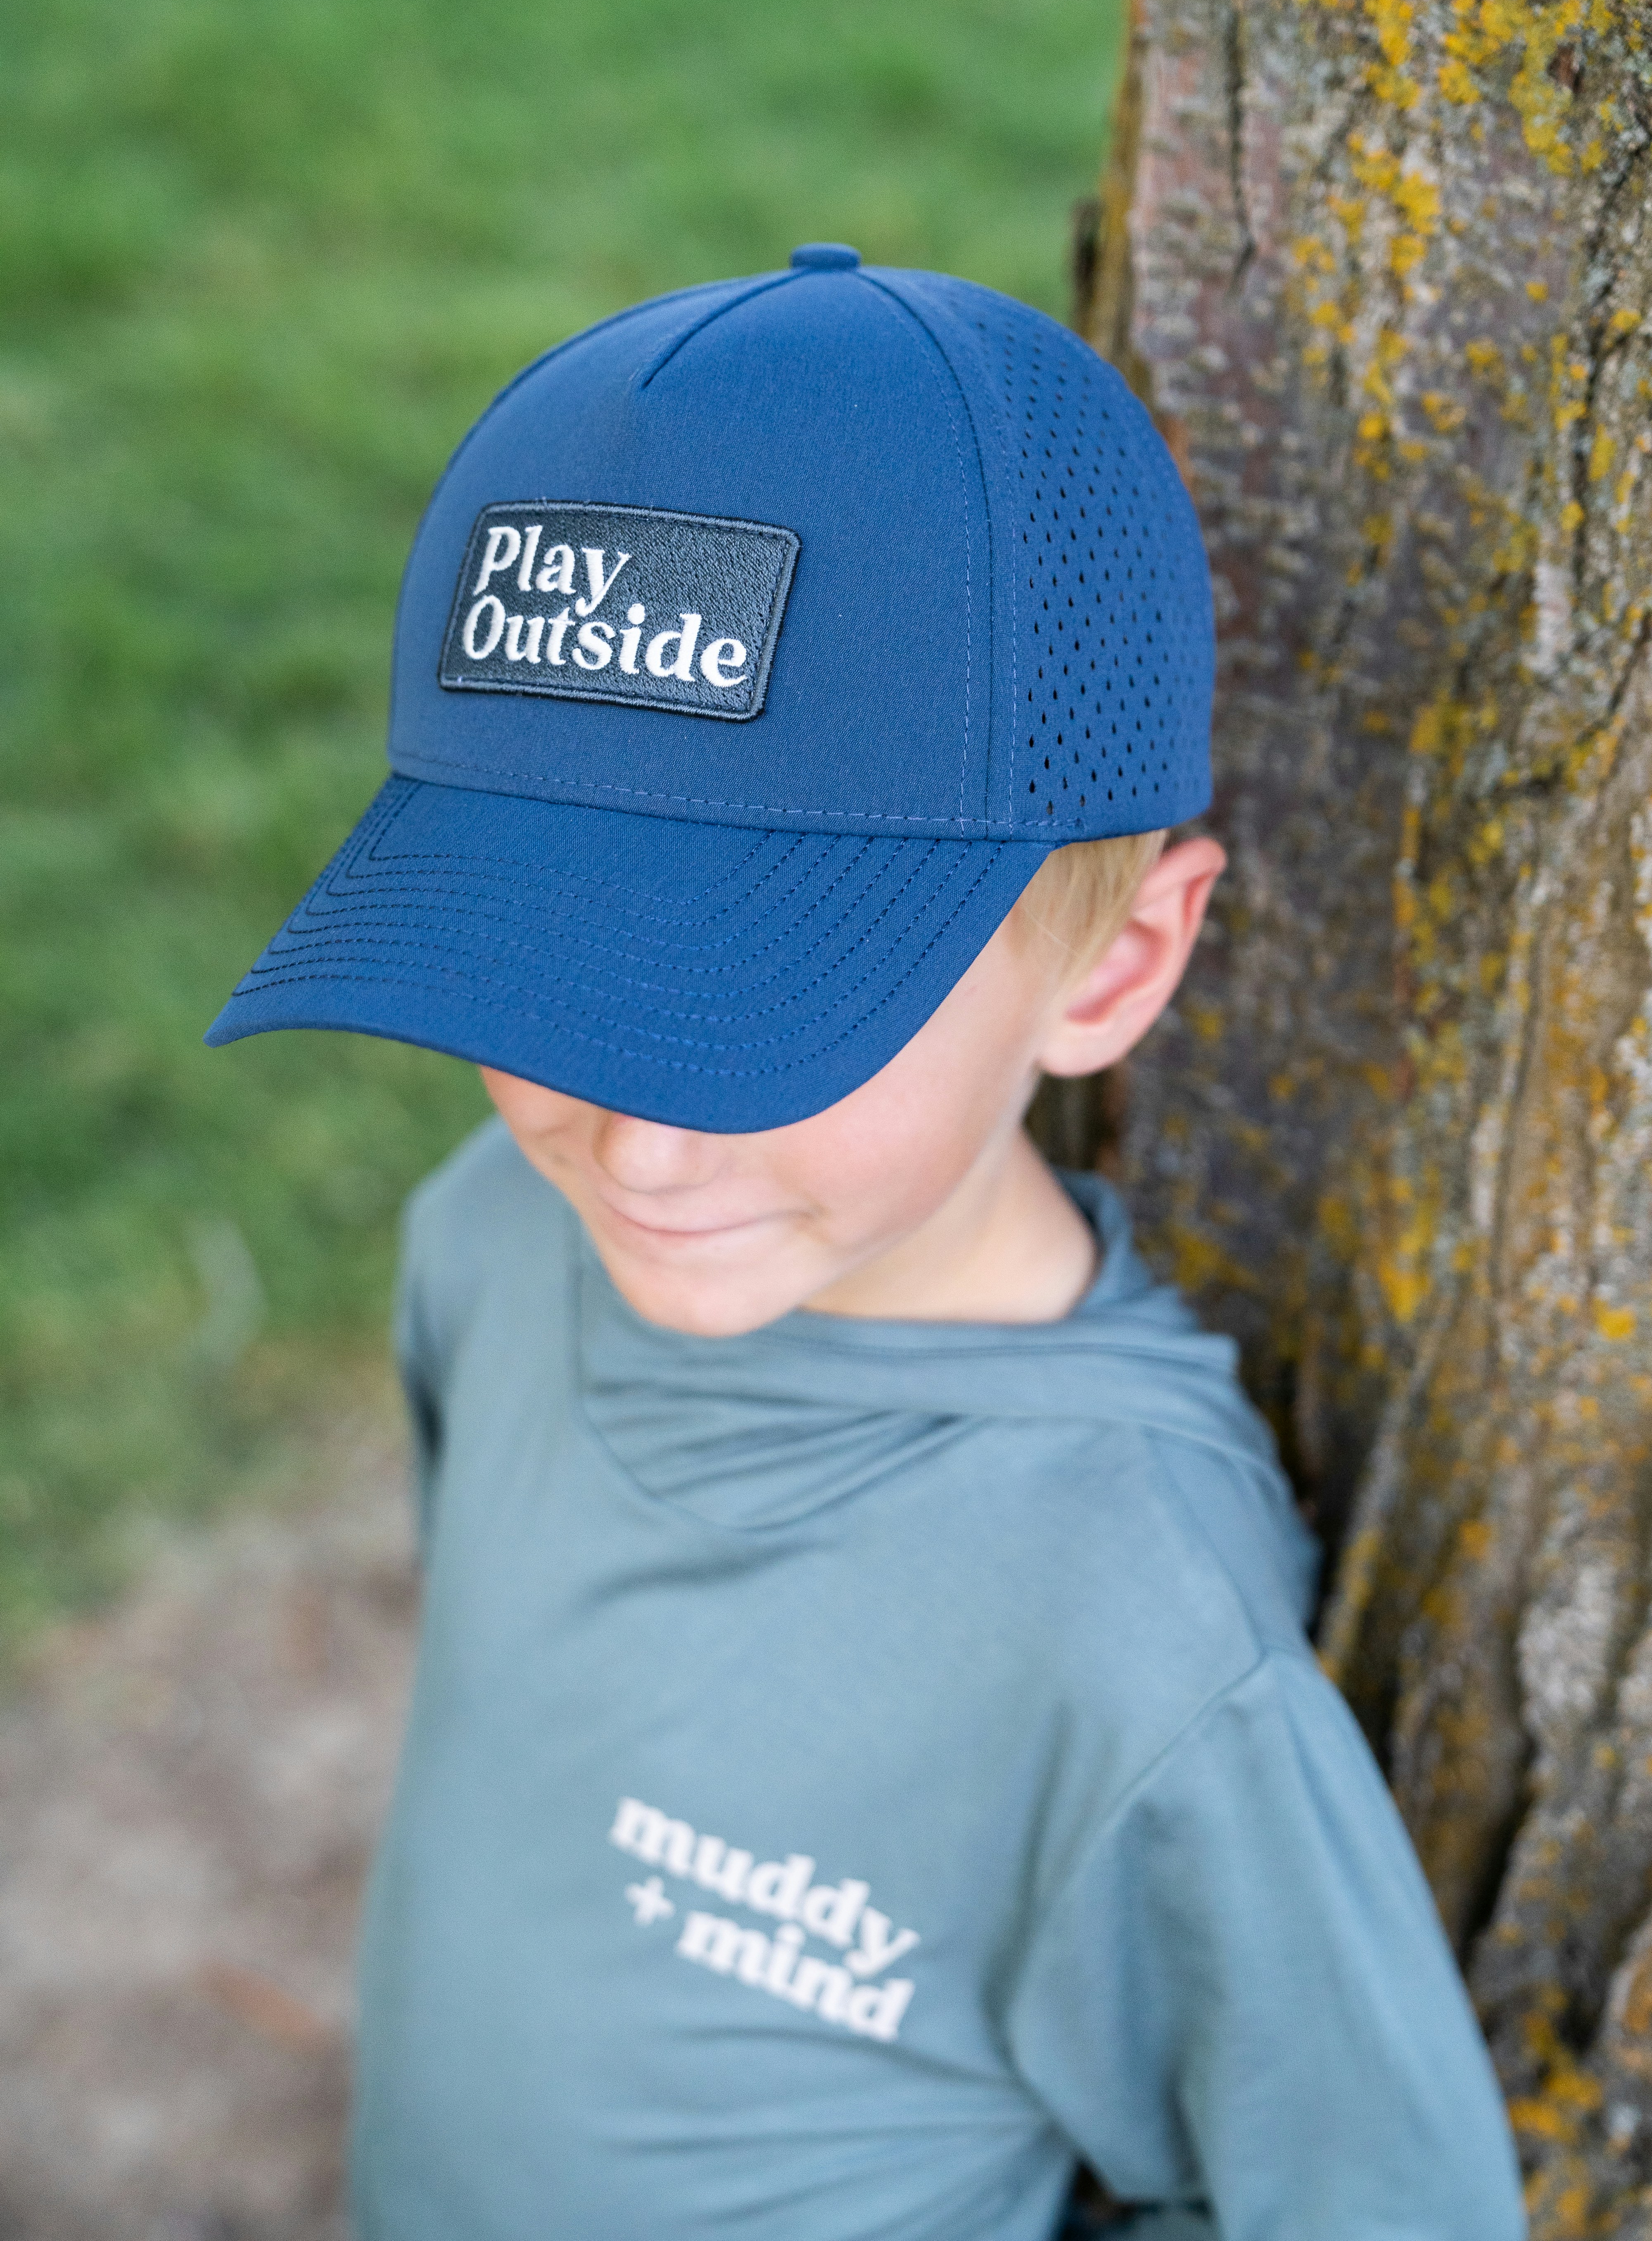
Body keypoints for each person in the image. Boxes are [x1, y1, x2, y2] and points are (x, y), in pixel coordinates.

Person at [208, 245, 1526, 2239]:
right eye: (551, 975)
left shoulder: (1133, 1624)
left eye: (774, 1013)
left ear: (1115, 967)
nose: (637, 1137)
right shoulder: (490, 1238)